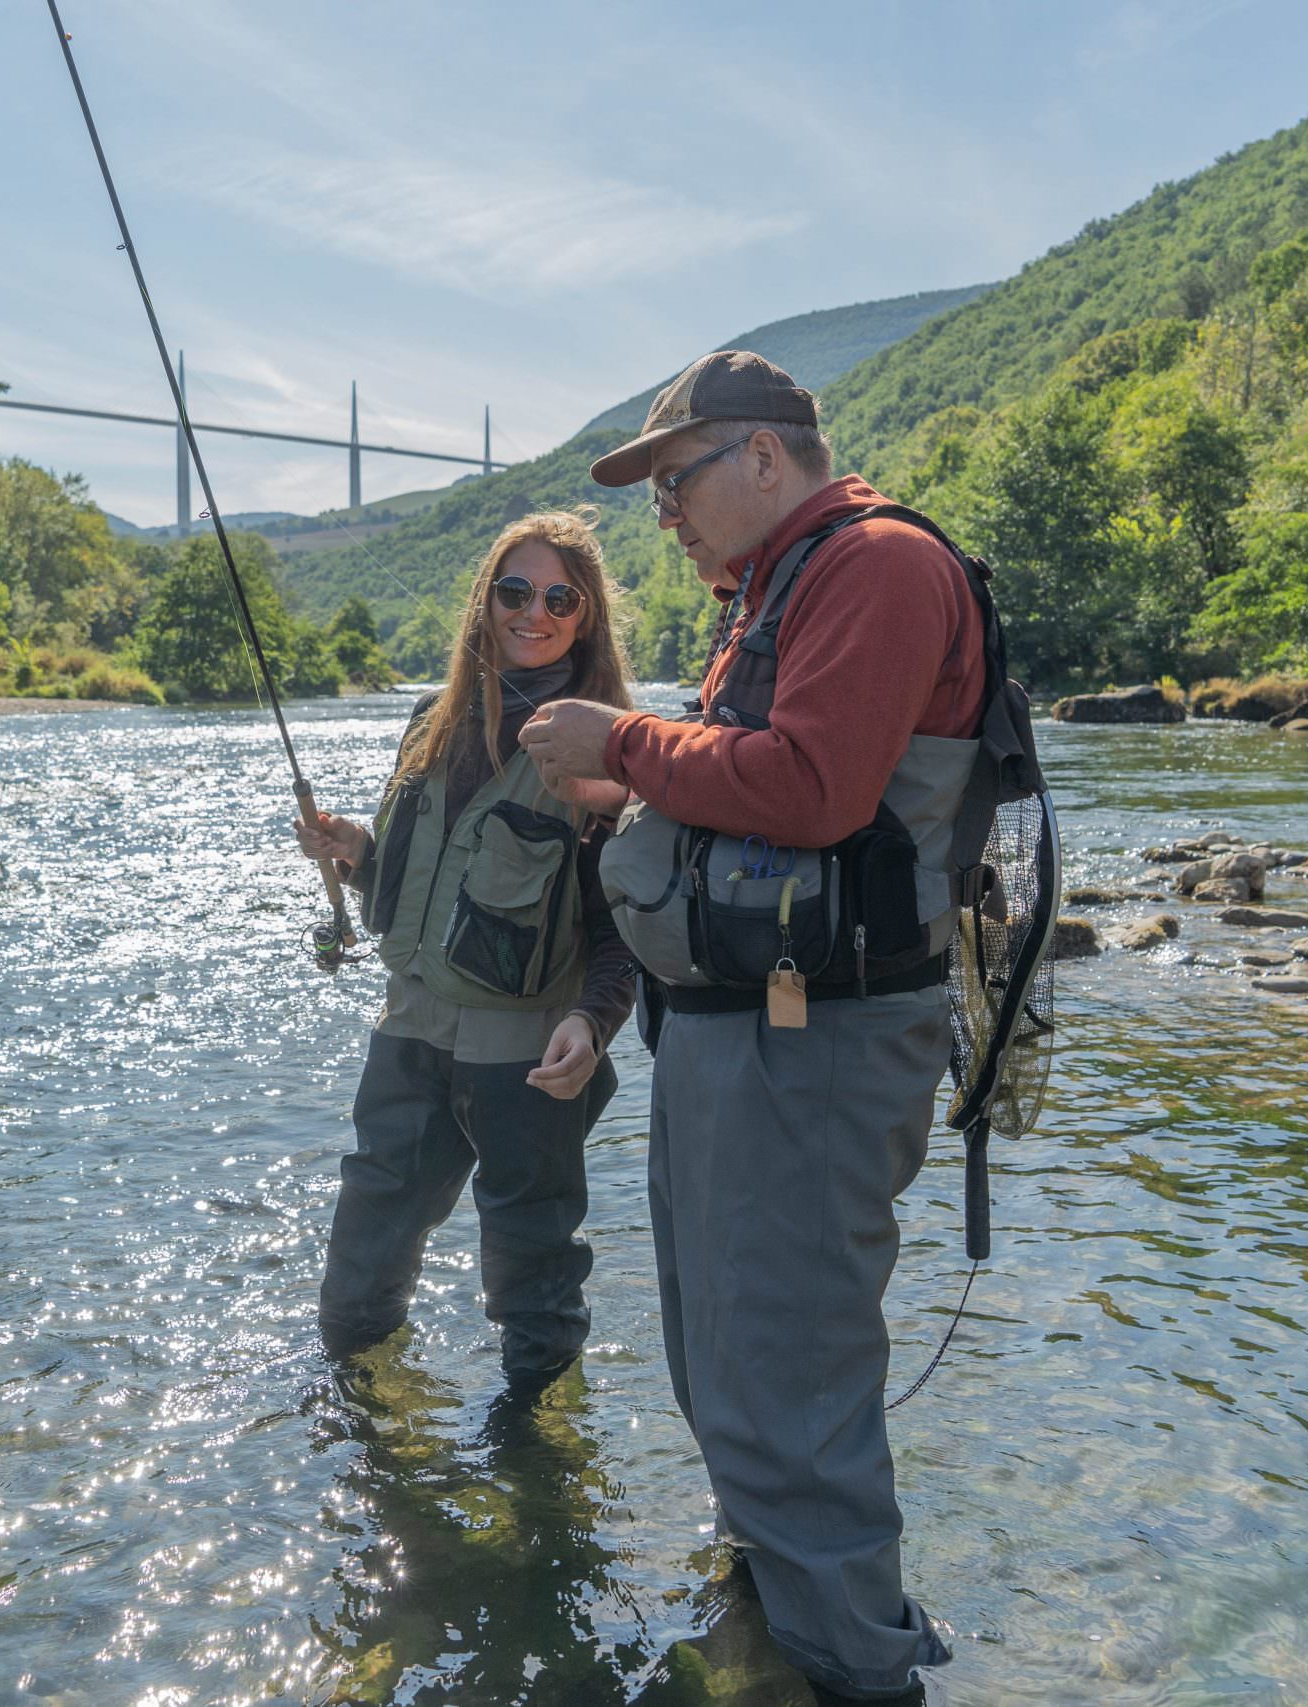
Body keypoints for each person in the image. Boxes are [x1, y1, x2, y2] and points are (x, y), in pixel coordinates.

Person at [517, 352, 986, 1704]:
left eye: (676, 479)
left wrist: (625, 748)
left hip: (817, 1042)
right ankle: (792, 1611)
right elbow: (762, 791)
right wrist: (641, 787)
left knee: (783, 1364)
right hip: (751, 1029)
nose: (661, 510)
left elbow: (820, 785)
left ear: (768, 456)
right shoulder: (776, 586)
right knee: (724, 1346)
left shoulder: (876, 563)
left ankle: (854, 1668)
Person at [294, 508, 639, 1383]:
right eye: (516, 590)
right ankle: (358, 1431)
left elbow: (624, 923)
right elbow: (418, 882)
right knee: (360, 1273)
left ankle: (540, 1473)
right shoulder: (430, 720)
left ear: (587, 615)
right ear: (486, 600)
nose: (537, 612)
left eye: (561, 597)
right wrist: (357, 854)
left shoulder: (608, 746)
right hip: (408, 1035)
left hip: (527, 1059)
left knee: (533, 1286)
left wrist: (594, 1023)